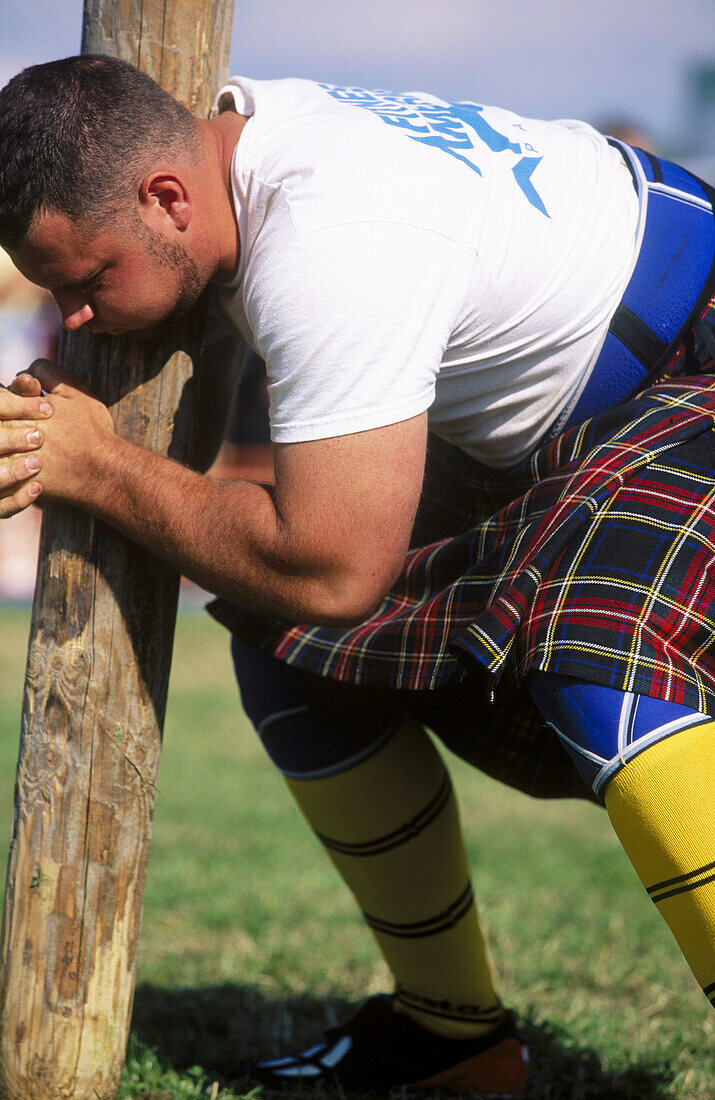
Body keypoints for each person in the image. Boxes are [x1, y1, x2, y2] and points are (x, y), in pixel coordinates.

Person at [0, 55, 714, 1097]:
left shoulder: (331, 239)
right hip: (591, 399)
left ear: (166, 198)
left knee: (599, 640)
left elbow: (333, 566)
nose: (71, 315)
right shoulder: (233, 145)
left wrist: (101, 464)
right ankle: (452, 1036)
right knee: (292, 653)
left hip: (688, 351)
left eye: (87, 278)